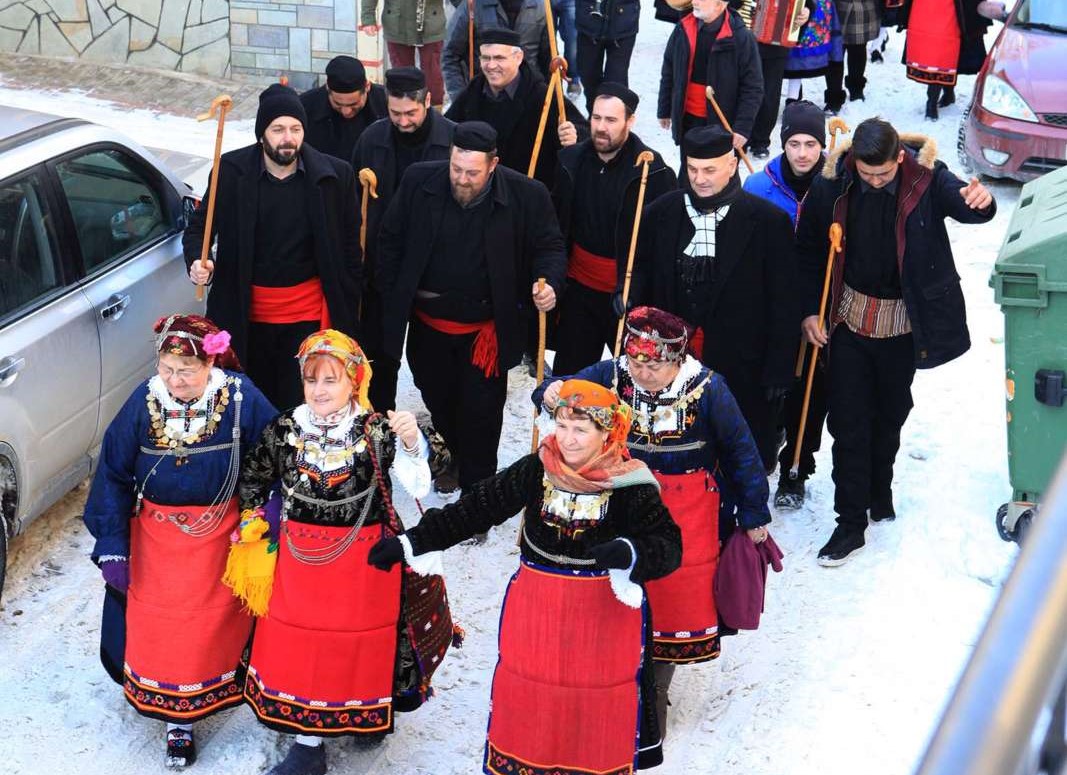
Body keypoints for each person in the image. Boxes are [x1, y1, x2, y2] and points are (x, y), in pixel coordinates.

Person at [367, 379, 682, 773]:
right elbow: (479, 507)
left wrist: (631, 553)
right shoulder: (540, 468)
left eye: (581, 430)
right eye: (563, 426)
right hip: (538, 611)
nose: (567, 439)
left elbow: (668, 545)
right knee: (533, 700)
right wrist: (410, 543)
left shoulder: (630, 486)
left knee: (590, 708)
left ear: (607, 434)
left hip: (601, 621)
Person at [534, 306, 771, 738]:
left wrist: (754, 512)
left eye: (654, 364)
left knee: (668, 606)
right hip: (621, 501)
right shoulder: (610, 375)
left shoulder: (710, 390)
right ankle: (608, 683)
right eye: (637, 362)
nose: (642, 372)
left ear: (678, 360)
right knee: (611, 593)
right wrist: (550, 392)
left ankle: (651, 697)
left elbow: (741, 450)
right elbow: (557, 392)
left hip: (687, 515)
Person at [234, 329, 450, 775]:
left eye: (330, 380)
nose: (319, 390)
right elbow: (254, 478)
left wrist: (413, 441)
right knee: (304, 648)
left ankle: (365, 711)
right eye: (311, 379)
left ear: (355, 381)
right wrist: (256, 520)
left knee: (360, 646)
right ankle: (306, 744)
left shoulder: (375, 430)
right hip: (300, 563)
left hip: (365, 562)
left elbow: (428, 477)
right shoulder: (286, 428)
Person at [796, 118, 996, 565]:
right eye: (865, 174)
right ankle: (850, 523)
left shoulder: (926, 180)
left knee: (890, 415)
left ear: (898, 160)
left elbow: (969, 206)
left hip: (901, 328)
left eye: (881, 175)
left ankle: (878, 488)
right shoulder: (834, 183)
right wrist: (811, 310)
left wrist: (980, 202)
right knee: (848, 422)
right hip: (847, 324)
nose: (872, 181)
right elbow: (808, 250)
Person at [83, 314, 277, 769]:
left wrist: (264, 512)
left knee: (212, 626)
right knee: (163, 630)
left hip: (221, 537)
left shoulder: (240, 397)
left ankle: (225, 689)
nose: (175, 380)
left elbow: (275, 452)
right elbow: (112, 470)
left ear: (211, 362)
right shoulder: (145, 400)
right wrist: (113, 542)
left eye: (187, 371)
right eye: (167, 368)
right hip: (156, 537)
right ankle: (177, 724)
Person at [376, 122, 567, 494]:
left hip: (485, 333)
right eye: (456, 169)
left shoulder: (527, 195)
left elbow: (550, 247)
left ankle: (478, 492)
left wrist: (549, 284)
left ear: (493, 165)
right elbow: (391, 237)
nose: (462, 180)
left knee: (480, 413)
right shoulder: (419, 181)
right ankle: (455, 457)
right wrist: (392, 291)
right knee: (437, 398)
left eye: (473, 173)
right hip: (428, 325)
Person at [184, 83, 361, 411]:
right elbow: (199, 230)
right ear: (261, 134)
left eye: (295, 129)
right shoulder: (231, 172)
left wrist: (349, 304)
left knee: (305, 403)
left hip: (309, 314)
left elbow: (351, 249)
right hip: (247, 313)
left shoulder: (335, 176)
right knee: (252, 401)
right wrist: (199, 260)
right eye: (278, 129)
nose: (288, 138)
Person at [633, 125, 798, 473]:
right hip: (673, 363)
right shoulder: (661, 213)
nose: (700, 178)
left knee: (738, 455)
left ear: (732, 165)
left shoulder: (769, 223)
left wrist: (778, 370)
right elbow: (642, 279)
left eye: (709, 169)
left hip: (743, 364)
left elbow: (783, 304)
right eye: (692, 169)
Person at [551, 82, 677, 376]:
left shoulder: (653, 172)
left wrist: (639, 289)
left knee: (633, 381)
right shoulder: (571, 161)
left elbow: (663, 244)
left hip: (628, 295)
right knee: (572, 378)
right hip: (579, 291)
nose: (601, 127)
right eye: (596, 118)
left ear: (630, 121)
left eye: (611, 120)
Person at [352, 67, 457, 412]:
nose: (403, 120)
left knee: (433, 366)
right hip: (384, 270)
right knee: (381, 359)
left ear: (428, 100)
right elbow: (355, 203)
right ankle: (379, 427)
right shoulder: (371, 138)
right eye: (395, 113)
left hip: (435, 271)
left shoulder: (453, 141)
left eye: (411, 112)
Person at [743, 100, 829, 508]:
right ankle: (766, 441)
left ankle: (797, 468)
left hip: (819, 304)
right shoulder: (760, 186)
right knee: (769, 384)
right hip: (768, 306)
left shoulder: (836, 186)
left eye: (810, 143)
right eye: (793, 142)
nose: (802, 153)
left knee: (809, 393)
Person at [445, 27, 587, 189]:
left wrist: (573, 135)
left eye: (499, 58)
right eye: (486, 58)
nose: (491, 66)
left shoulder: (542, 95)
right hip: (480, 192)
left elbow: (583, 132)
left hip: (526, 192)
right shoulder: (474, 91)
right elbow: (448, 128)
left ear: (518, 58)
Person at [657, 0, 763, 164]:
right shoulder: (683, 29)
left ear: (719, 5)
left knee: (718, 177)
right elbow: (669, 68)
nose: (695, 2)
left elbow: (753, 87)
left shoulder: (741, 38)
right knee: (688, 170)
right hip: (688, 120)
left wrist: (742, 127)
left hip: (722, 123)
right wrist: (664, 108)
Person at [740, 1, 811, 159]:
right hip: (744, 39)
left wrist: (806, 11)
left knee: (770, 94)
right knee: (742, 90)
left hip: (777, 43)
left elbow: (808, 4)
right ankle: (741, 135)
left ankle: (761, 140)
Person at [441, 0, 551, 102]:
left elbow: (549, 61)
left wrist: (548, 101)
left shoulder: (541, 7)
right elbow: (450, 55)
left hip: (528, 100)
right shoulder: (473, 6)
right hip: (484, 99)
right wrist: (461, 100)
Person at [901, 0, 992, 121]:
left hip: (950, 7)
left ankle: (935, 100)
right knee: (935, 49)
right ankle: (944, 96)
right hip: (927, 8)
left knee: (946, 47)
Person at [300, 56, 388, 163]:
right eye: (338, 104)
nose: (346, 111)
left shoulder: (387, 104)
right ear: (327, 88)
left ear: (367, 87)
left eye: (354, 104)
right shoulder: (305, 107)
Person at [360, 0, 448, 106]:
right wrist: (368, 18)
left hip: (431, 21)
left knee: (433, 74)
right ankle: (403, 111)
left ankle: (435, 113)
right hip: (396, 23)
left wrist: (466, 7)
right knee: (401, 75)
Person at [574, 0, 640, 114]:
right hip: (589, 19)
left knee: (616, 81)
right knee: (588, 75)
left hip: (623, 21)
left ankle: (613, 120)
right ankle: (594, 115)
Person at [823, 0, 881, 112]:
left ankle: (856, 90)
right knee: (835, 53)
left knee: (858, 49)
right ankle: (834, 98)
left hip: (863, 7)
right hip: (835, 7)